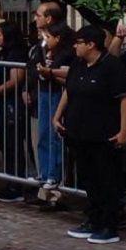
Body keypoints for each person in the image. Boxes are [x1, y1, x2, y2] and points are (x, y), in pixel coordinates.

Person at [53, 25, 126, 245]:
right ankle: (92, 219)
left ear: (91, 44)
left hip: (103, 132)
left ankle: (109, 224)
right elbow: (69, 89)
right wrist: (57, 115)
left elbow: (124, 98)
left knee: (106, 178)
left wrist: (123, 130)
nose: (75, 46)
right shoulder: (78, 65)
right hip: (78, 130)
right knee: (87, 177)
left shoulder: (111, 66)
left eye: (79, 42)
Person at [29, 22, 74, 210]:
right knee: (43, 135)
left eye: (48, 36)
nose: (44, 39)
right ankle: (45, 175)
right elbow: (33, 68)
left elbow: (66, 75)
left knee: (55, 139)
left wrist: (49, 72)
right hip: (44, 94)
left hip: (57, 94)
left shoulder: (67, 54)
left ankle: (56, 180)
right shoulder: (41, 51)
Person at [0, 21, 30, 202]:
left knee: (13, 143)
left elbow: (15, 80)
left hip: (14, 103)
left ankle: (16, 184)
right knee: (3, 140)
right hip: (3, 102)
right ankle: (11, 180)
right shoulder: (3, 53)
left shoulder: (16, 53)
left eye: (0, 34)